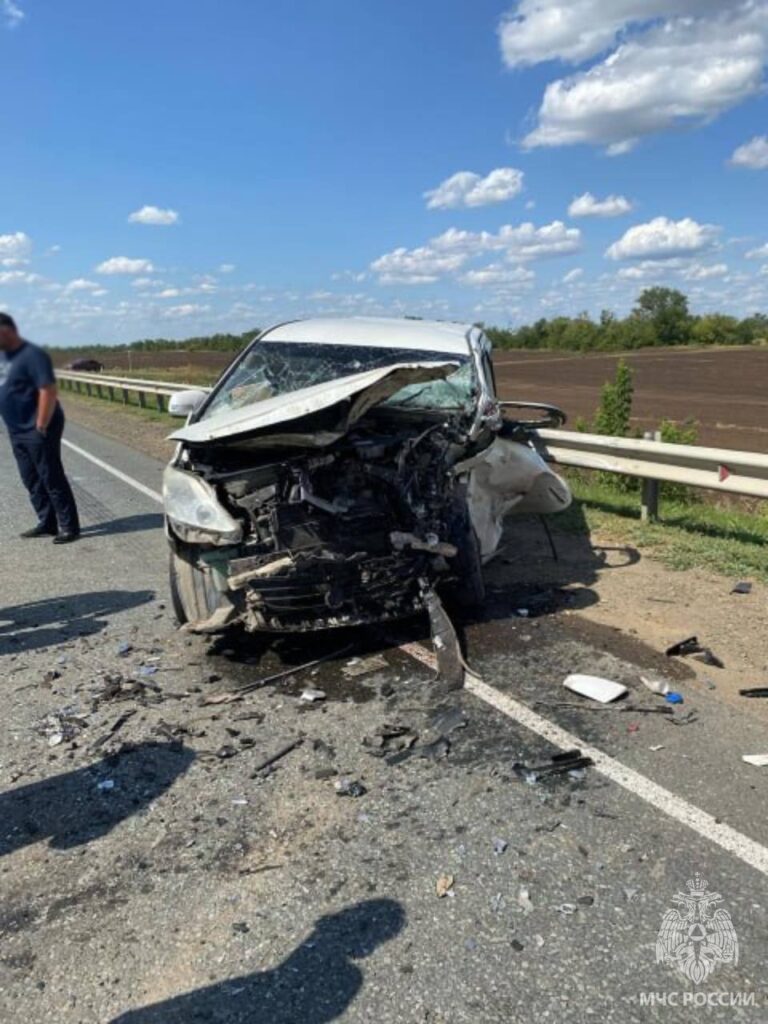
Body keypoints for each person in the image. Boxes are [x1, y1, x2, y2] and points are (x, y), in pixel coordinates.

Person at [0, 312, 80, 543]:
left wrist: (41, 424)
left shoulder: (32, 355)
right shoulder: (4, 357)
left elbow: (47, 389)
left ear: (7, 331)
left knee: (50, 476)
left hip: (38, 426)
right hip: (16, 428)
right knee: (31, 478)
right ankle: (47, 522)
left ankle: (69, 527)